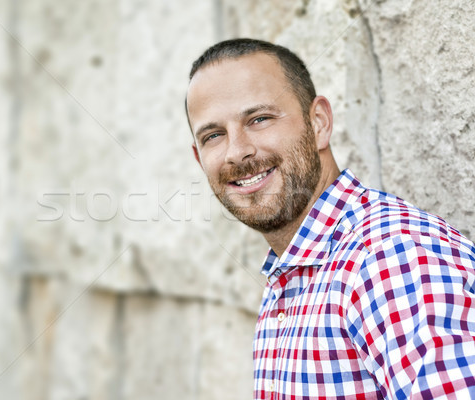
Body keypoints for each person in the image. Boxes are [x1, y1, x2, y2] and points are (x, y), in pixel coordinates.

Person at [185, 38, 475, 399]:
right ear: (200, 159)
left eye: (259, 119)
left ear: (319, 123)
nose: (237, 151)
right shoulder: (292, 271)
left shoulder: (389, 258)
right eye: (214, 135)